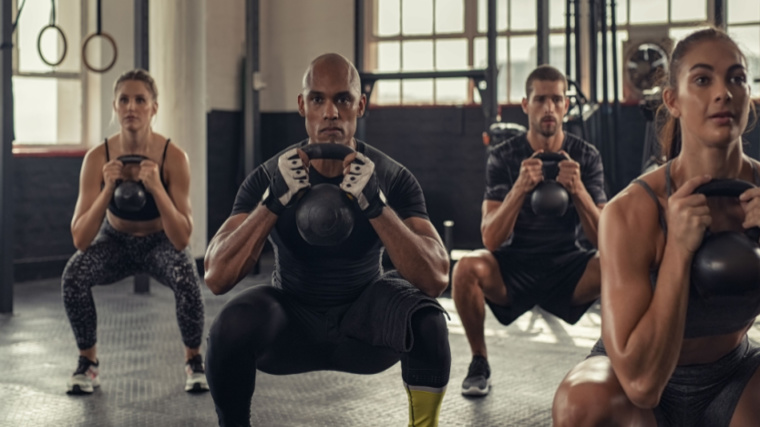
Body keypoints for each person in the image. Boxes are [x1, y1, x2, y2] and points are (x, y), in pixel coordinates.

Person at [203, 53, 451, 427]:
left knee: (429, 323)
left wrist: (376, 205)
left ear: (360, 105)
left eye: (343, 99)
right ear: (302, 105)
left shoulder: (391, 176)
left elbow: (436, 277)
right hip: (291, 321)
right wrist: (273, 202)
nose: (331, 112)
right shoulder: (270, 176)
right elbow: (216, 275)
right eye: (318, 99)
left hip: (365, 324)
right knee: (228, 327)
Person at [552, 28, 760, 426]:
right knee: (582, 404)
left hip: (735, 376)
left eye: (737, 78)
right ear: (673, 100)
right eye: (703, 79)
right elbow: (642, 384)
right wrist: (679, 251)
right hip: (635, 386)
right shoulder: (631, 212)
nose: (724, 93)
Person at [452, 64, 606, 397]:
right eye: (540, 100)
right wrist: (519, 188)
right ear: (526, 105)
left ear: (566, 105)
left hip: (569, 266)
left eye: (556, 99)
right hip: (514, 266)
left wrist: (578, 191)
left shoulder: (586, 157)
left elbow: (606, 241)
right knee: (465, 268)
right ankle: (479, 361)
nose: (548, 108)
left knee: (619, 264)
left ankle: (611, 355)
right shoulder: (503, 156)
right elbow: (490, 238)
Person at [62, 69, 208, 395]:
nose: (131, 107)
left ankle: (194, 360)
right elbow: (80, 238)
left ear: (154, 108)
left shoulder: (174, 157)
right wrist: (107, 188)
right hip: (115, 241)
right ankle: (88, 363)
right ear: (114, 106)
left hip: (161, 241)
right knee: (74, 275)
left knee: (187, 277)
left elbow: (183, 238)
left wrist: (157, 187)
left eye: (140, 100)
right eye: (124, 100)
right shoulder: (97, 158)